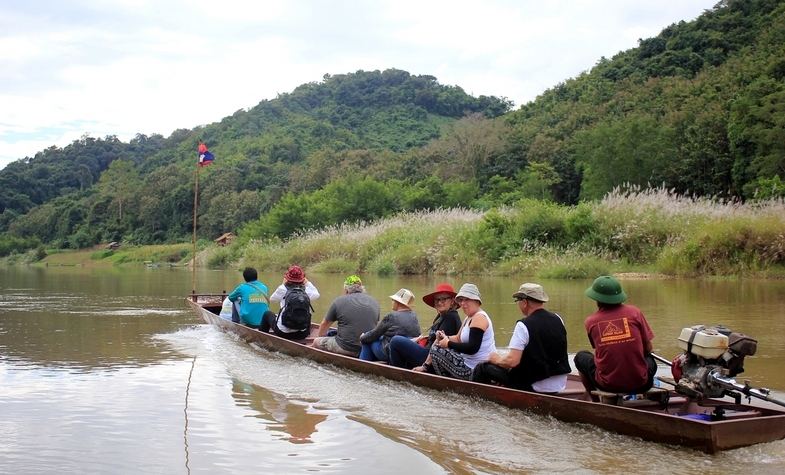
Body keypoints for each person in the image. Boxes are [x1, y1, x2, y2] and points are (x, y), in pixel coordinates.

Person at [472, 283, 571, 393]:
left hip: (536, 385)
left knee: (483, 368)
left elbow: (512, 361)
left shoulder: (523, 325)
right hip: (560, 383)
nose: (518, 304)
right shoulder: (558, 319)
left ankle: (479, 401)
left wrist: (496, 359)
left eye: (518, 301)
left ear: (524, 302)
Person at [573, 275, 657, 394]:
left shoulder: (591, 321)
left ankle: (593, 398)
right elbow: (648, 348)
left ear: (597, 299)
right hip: (642, 383)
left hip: (608, 385)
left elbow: (600, 350)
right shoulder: (635, 313)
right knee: (650, 357)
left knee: (580, 357)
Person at [414, 283, 496, 380]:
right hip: (467, 363)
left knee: (437, 349)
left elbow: (473, 348)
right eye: (461, 300)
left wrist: (448, 343)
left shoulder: (479, 318)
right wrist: (444, 337)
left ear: (476, 300)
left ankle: (444, 382)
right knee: (437, 344)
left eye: (467, 299)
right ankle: (441, 378)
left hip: (473, 369)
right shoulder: (469, 318)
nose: (462, 303)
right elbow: (457, 338)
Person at [388, 283, 462, 369]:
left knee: (395, 340)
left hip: (432, 359)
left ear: (452, 301)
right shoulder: (441, 315)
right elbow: (435, 336)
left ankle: (397, 372)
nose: (439, 302)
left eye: (443, 299)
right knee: (404, 339)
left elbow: (439, 343)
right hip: (427, 352)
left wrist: (425, 366)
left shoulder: (450, 317)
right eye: (437, 300)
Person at [312, 275, 380, 357]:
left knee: (316, 341)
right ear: (361, 288)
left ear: (346, 289)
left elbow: (324, 324)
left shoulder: (339, 301)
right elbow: (375, 326)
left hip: (346, 347)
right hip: (367, 348)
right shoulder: (374, 301)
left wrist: (320, 338)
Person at [358, 288, 420, 362]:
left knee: (367, 339)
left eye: (393, 300)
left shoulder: (391, 316)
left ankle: (362, 363)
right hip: (407, 351)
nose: (392, 302)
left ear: (398, 302)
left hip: (389, 351)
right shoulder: (414, 316)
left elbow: (374, 334)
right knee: (374, 337)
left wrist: (362, 338)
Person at [260, 265, 320, 340]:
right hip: (302, 333)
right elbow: (317, 294)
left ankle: (261, 339)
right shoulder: (307, 290)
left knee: (267, 314)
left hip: (283, 333)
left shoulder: (283, 288)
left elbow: (272, 299)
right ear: (302, 278)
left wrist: (283, 284)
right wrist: (307, 282)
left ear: (287, 278)